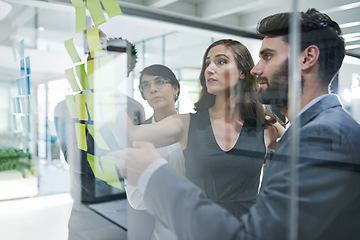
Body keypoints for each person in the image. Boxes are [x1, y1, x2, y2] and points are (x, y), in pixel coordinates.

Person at [109, 8, 360, 240]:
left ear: (308, 58)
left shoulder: (317, 135)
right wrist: (105, 82)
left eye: (268, 56)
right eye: (207, 63)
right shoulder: (311, 132)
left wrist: (154, 173)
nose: (256, 69)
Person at [109, 39, 284, 221]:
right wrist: (105, 85)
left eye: (221, 61)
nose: (209, 68)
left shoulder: (266, 129)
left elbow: (306, 158)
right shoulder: (184, 124)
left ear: (242, 71)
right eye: (207, 63)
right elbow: (129, 136)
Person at [54, 34, 144, 240]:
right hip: (87, 219)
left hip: (128, 217)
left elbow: (139, 162)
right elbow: (77, 159)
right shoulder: (66, 107)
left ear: (126, 72)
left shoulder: (135, 108)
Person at [126, 64, 185, 240]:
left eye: (160, 82)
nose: (153, 89)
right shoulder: (137, 135)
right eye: (146, 85)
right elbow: (136, 197)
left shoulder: (196, 127)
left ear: (176, 89)